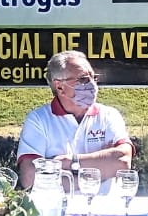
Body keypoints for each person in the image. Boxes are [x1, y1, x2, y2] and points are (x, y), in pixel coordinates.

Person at [16, 50, 133, 191]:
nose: (92, 85)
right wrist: (99, 170)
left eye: (93, 78)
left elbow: (123, 161)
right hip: (57, 210)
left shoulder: (109, 115)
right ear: (60, 87)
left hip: (106, 210)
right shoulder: (38, 120)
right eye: (83, 79)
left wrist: (67, 162)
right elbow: (30, 178)